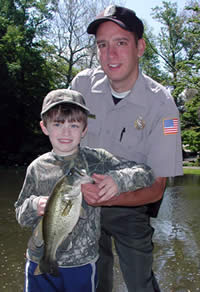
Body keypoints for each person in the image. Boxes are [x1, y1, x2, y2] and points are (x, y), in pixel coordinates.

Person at [71, 5, 183, 292]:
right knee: (93, 280)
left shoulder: (163, 106)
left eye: (121, 43)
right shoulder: (81, 85)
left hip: (131, 205)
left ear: (140, 47)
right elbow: (64, 149)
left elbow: (158, 187)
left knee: (140, 282)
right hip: (83, 202)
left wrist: (108, 197)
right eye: (102, 45)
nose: (110, 55)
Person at [15, 89, 155, 292]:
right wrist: (35, 205)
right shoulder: (37, 168)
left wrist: (117, 180)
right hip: (39, 259)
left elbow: (146, 173)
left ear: (84, 129)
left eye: (74, 125)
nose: (66, 132)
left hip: (81, 263)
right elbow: (20, 214)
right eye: (57, 124)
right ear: (44, 127)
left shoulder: (97, 160)